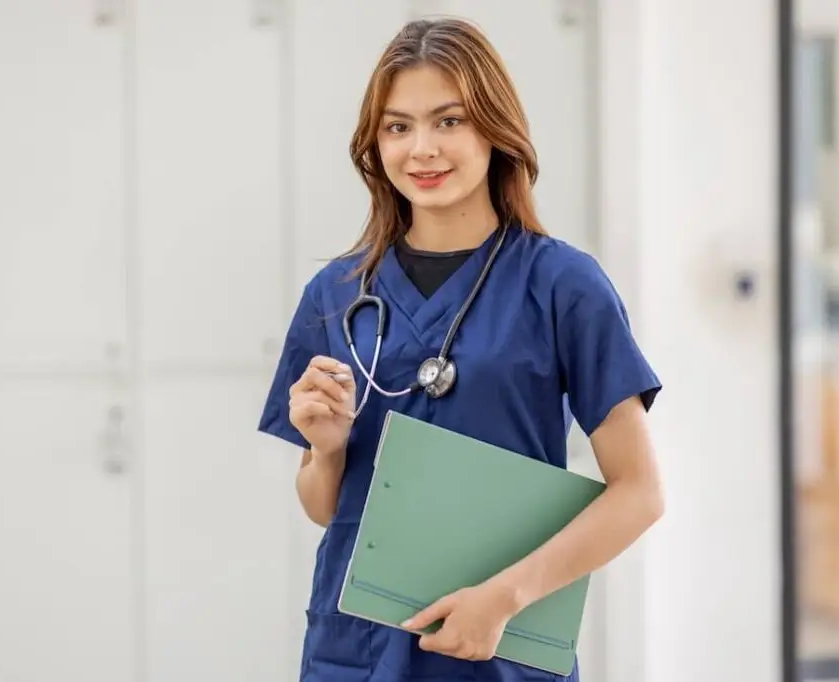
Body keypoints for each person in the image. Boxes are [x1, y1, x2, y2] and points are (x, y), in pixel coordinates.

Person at [257, 16, 664, 682]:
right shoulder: (336, 293)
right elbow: (325, 506)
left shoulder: (564, 285)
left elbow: (640, 493)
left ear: (494, 129)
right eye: (398, 126)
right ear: (375, 142)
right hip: (357, 647)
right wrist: (326, 447)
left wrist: (505, 598)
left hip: (500, 645)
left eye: (449, 121)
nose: (423, 149)